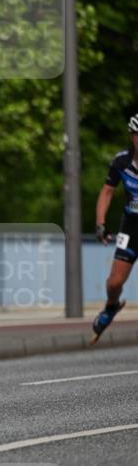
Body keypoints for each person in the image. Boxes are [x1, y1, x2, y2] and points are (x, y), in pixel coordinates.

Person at [91, 112, 138, 343]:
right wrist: (100, 222)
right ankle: (111, 308)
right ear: (132, 137)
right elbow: (107, 191)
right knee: (114, 282)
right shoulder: (121, 161)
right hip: (131, 227)